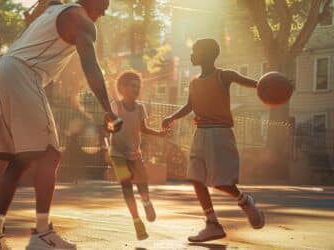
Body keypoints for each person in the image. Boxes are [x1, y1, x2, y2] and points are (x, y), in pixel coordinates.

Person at [0, 1, 120, 250]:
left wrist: (31, 17)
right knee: (50, 154)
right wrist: (108, 109)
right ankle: (42, 235)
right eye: (102, 4)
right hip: (24, 72)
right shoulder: (82, 22)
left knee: (20, 159)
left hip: (3, 68)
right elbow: (90, 65)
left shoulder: (55, 8)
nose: (105, 11)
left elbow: (34, 18)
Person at [162, 38, 265, 243]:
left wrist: (272, 86)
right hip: (200, 133)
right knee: (195, 177)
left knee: (221, 182)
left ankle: (245, 201)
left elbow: (255, 84)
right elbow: (190, 106)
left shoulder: (224, 75)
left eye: (196, 50)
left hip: (220, 133)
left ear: (208, 55)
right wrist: (172, 117)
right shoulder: (193, 81)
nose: (192, 54)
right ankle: (212, 224)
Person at [109, 71, 168, 240]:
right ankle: (137, 223)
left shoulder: (140, 107)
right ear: (122, 87)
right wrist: (110, 126)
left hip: (135, 153)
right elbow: (109, 124)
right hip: (117, 154)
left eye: (138, 86)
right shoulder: (116, 106)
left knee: (142, 184)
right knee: (126, 187)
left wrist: (159, 133)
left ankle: (146, 202)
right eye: (132, 85)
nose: (136, 89)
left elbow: (143, 128)